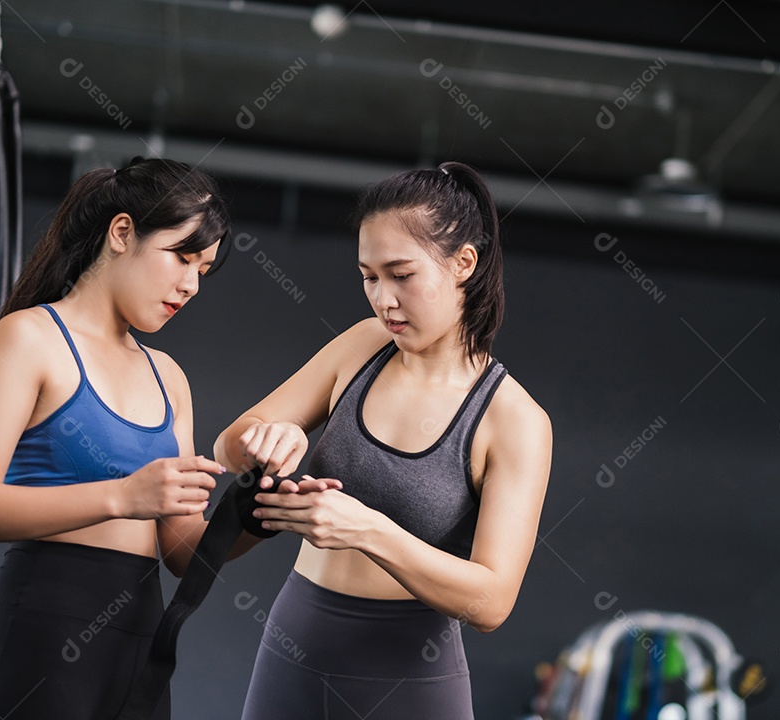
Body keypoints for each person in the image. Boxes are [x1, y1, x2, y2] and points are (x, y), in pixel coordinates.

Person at [215, 161, 553, 719]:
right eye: (369, 276)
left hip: (412, 681)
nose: (383, 299)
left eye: (401, 274)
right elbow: (228, 446)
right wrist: (266, 440)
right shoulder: (363, 346)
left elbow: (491, 602)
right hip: (296, 649)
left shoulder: (514, 420)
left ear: (463, 263)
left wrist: (367, 528)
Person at [0, 157, 234, 720]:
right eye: (181, 256)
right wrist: (122, 495)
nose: (191, 284)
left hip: (139, 641)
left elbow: (181, 553)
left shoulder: (169, 376)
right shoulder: (27, 339)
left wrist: (256, 514)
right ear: (121, 232)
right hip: (41, 629)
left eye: (204, 268)